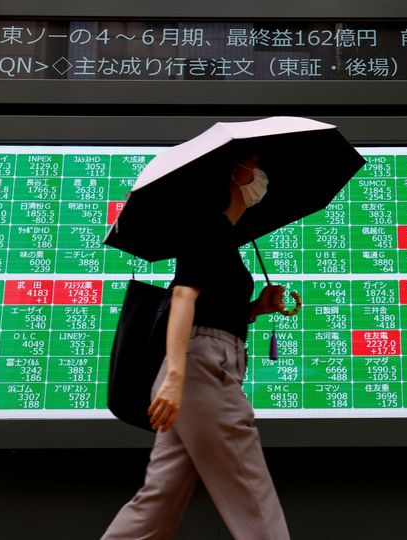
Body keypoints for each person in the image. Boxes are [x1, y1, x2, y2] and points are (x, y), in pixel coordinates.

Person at [102, 152, 291, 540]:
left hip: (199, 369)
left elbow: (212, 310)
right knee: (253, 496)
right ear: (237, 174)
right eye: (254, 163)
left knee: (156, 501)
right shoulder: (208, 225)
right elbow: (183, 299)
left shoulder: (224, 237)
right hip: (202, 372)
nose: (260, 172)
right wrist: (174, 377)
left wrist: (256, 308)